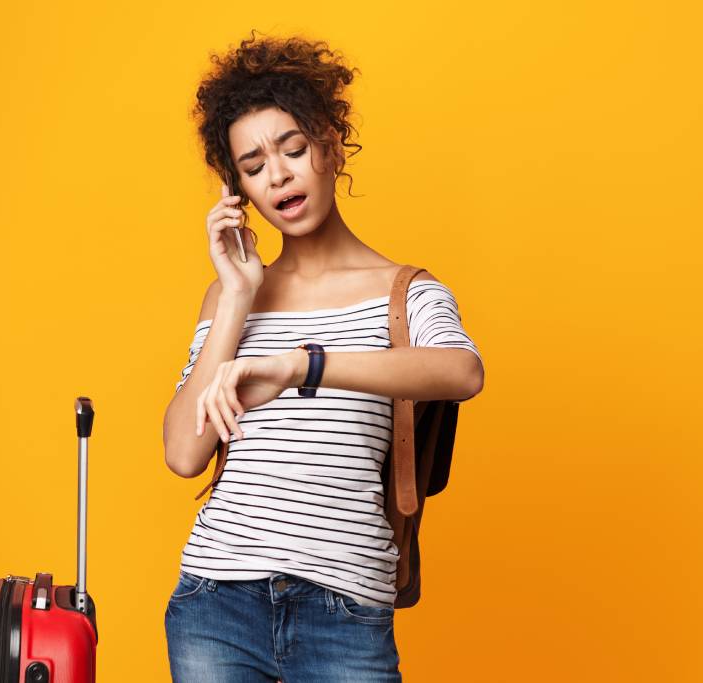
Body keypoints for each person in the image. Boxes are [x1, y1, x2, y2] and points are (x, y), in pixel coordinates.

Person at [162, 31, 485, 683]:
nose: (277, 174)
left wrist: (300, 365)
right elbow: (182, 453)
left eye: (292, 149)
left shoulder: (405, 292)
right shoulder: (230, 297)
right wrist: (238, 295)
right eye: (252, 165)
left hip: (344, 609)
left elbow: (461, 371)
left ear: (331, 144)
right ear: (238, 191)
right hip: (217, 599)